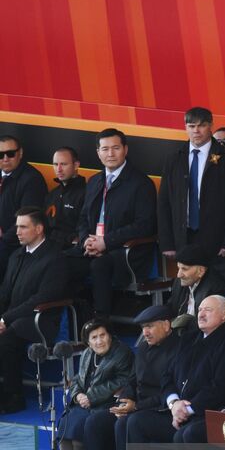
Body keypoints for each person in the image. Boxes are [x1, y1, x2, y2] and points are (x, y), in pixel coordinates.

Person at [126, 295, 225, 445]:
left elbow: (221, 387)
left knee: (184, 435)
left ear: (224, 315)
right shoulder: (189, 338)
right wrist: (173, 403)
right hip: (176, 412)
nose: (201, 314)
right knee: (136, 422)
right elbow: (167, 376)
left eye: (208, 310)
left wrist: (187, 410)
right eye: (199, 309)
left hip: (203, 414)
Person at [81, 305, 178, 450]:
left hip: (161, 410)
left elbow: (169, 391)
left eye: (150, 326)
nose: (145, 332)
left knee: (126, 423)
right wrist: (124, 400)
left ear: (166, 325)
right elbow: (132, 380)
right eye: (143, 328)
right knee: (94, 422)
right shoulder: (142, 348)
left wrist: (135, 406)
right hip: (136, 406)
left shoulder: (178, 350)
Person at [70, 128, 157, 316]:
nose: (110, 154)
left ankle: (102, 323)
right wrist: (86, 240)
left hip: (125, 253)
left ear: (125, 149)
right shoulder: (94, 181)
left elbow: (144, 224)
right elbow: (83, 217)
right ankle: (78, 326)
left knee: (98, 266)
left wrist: (106, 242)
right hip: (92, 247)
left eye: (116, 148)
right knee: (59, 262)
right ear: (98, 153)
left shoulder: (141, 183)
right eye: (105, 149)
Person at [0, 206, 70, 413]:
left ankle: (14, 396)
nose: (17, 231)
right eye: (17, 226)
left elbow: (43, 298)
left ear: (39, 229)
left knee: (6, 339)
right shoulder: (17, 255)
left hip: (42, 320)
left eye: (23, 227)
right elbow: (5, 292)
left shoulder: (55, 258)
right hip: (13, 317)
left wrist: (5, 320)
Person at [158, 107, 225, 276]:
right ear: (185, 127)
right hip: (184, 236)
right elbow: (165, 201)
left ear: (210, 125)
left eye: (201, 125)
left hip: (216, 239)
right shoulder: (174, 158)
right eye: (191, 126)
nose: (196, 131)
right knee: (186, 285)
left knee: (215, 287)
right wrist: (167, 242)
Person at [58, 318, 134, 450]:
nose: (99, 341)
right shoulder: (87, 354)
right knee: (66, 421)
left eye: (102, 335)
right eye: (94, 337)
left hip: (108, 404)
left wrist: (91, 397)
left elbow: (123, 381)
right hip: (86, 404)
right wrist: (77, 394)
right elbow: (78, 379)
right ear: (88, 342)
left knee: (80, 424)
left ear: (110, 336)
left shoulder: (122, 353)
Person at [0, 135, 47, 281]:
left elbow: (27, 223)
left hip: (14, 243)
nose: (5, 158)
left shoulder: (32, 180)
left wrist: (2, 239)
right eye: (1, 155)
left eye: (11, 154)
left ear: (20, 153)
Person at [44, 147, 86, 249]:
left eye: (63, 164)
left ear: (76, 165)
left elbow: (84, 230)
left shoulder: (87, 193)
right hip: (47, 247)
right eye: (55, 164)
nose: (58, 169)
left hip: (71, 251)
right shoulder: (52, 194)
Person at [165, 244, 216, 327]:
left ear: (201, 271)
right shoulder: (180, 282)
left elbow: (208, 324)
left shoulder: (214, 289)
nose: (179, 275)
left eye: (184, 269)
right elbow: (171, 306)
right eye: (178, 268)